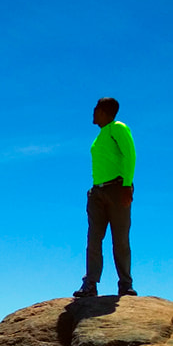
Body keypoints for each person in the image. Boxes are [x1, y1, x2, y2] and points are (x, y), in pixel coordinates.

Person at [73, 97, 137, 297]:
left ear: (103, 111)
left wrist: (127, 186)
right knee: (93, 239)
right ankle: (90, 283)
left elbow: (130, 155)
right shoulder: (100, 135)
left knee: (120, 239)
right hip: (97, 192)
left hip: (117, 189)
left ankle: (125, 284)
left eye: (95, 109)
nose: (93, 112)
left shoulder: (117, 128)